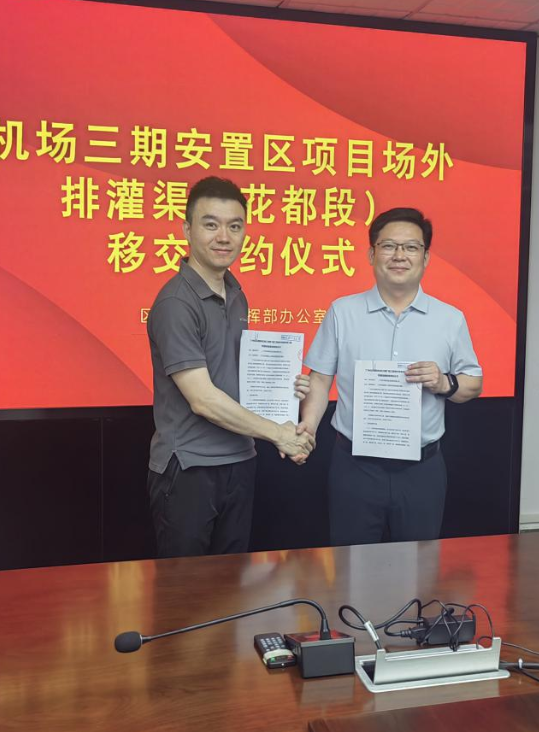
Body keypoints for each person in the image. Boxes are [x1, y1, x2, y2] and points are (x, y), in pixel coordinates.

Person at [147, 176, 313, 557]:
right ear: (187, 230)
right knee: (187, 588)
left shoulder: (236, 294)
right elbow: (203, 399)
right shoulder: (176, 303)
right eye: (211, 224)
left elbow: (235, 377)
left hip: (240, 461)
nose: (224, 237)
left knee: (232, 583)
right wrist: (279, 434)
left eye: (235, 226)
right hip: (190, 469)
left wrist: (284, 389)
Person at [299, 207, 482, 546]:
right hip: (355, 468)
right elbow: (320, 380)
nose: (399, 255)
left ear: (425, 257)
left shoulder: (450, 319)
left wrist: (444, 382)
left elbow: (473, 382)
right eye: (388, 246)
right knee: (350, 566)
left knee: (419, 568)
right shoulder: (342, 311)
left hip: (422, 471)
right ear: (372, 254)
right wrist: (307, 428)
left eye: (411, 247)